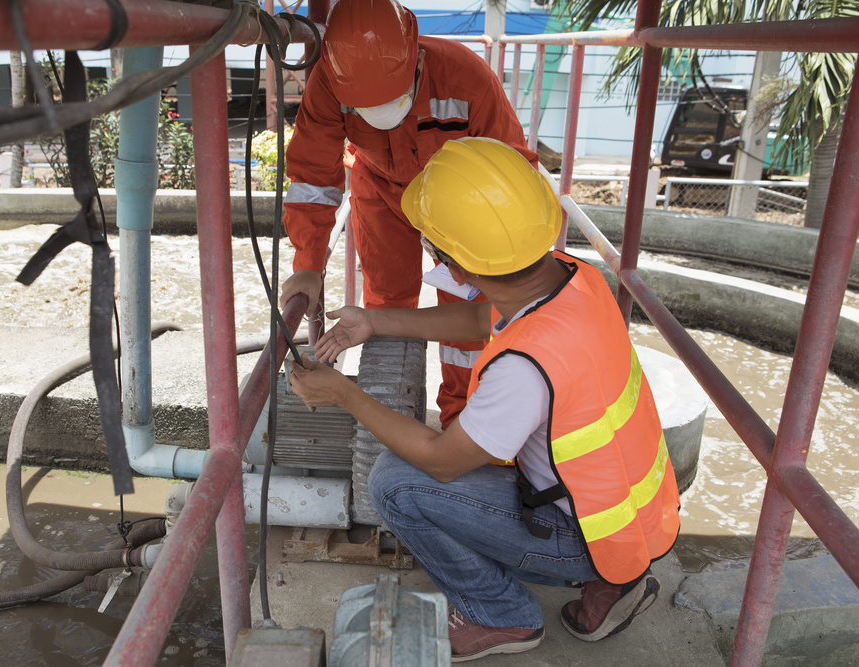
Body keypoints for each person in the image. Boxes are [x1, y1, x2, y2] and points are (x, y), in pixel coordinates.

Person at [288, 137, 681, 662]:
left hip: (580, 533)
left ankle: (501, 614)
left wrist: (343, 393)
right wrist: (376, 321)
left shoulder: (524, 367)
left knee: (395, 483)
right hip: (631, 517)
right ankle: (615, 579)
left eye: (433, 247)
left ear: (456, 264)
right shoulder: (571, 277)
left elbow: (440, 461)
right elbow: (480, 317)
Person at [280, 0, 539, 429]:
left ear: (417, 55)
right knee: (384, 307)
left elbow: (510, 174)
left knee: (472, 320)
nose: (381, 114)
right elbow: (314, 178)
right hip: (380, 193)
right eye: (366, 106)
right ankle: (393, 410)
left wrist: (492, 255)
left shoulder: (466, 78)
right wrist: (308, 264)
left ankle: (463, 423)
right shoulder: (328, 82)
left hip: (461, 207)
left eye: (393, 98)